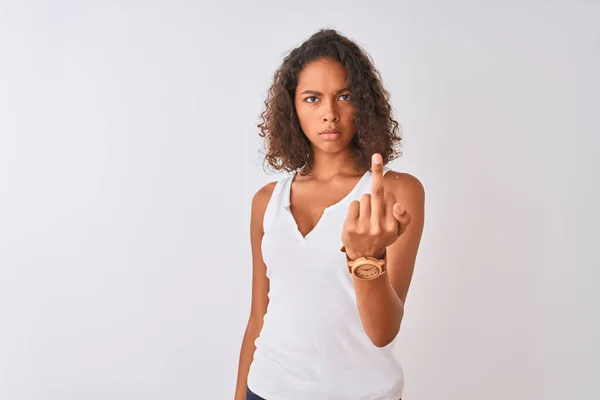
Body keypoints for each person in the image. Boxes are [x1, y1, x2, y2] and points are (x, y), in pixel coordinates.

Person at [234, 29, 425, 400]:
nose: (329, 114)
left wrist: (364, 257)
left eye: (345, 96)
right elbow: (259, 317)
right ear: (293, 108)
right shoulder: (266, 201)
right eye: (312, 99)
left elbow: (383, 332)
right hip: (267, 389)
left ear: (364, 104)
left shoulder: (395, 192)